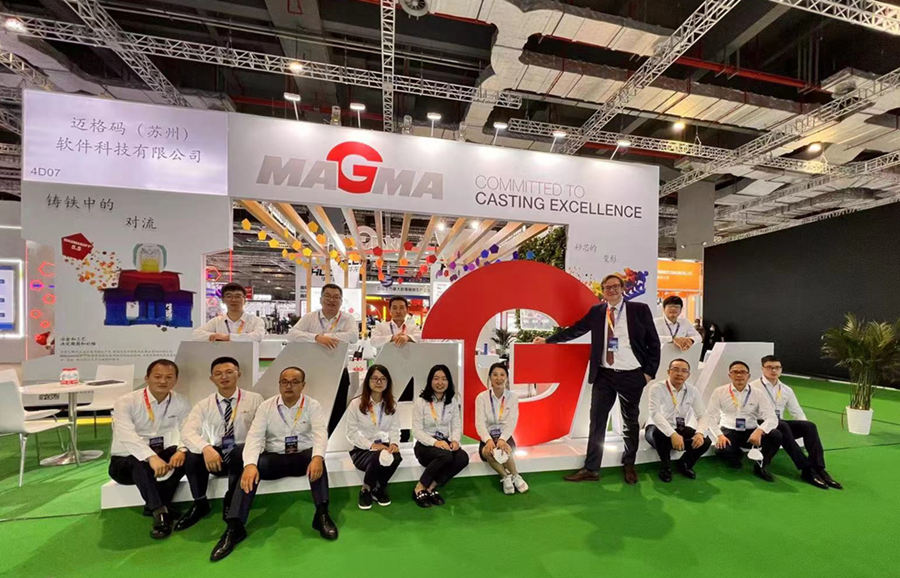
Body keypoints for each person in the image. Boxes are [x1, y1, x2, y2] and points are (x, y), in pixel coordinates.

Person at [534, 274, 660, 485]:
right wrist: (548, 340)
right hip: (604, 375)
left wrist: (648, 374)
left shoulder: (639, 310)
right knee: (597, 422)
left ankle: (629, 464)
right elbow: (576, 330)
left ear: (622, 288)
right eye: (607, 287)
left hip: (632, 375)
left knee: (630, 422)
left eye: (615, 286)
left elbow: (653, 343)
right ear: (603, 291)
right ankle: (591, 468)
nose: (612, 290)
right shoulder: (597, 312)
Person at [210, 367, 337, 562]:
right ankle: (235, 527)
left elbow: (320, 433)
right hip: (274, 458)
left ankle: (322, 515)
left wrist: (318, 457)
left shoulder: (313, 405)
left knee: (317, 457)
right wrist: (250, 465)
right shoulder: (266, 407)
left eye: (294, 382)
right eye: (284, 381)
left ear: (303, 385)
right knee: (249, 469)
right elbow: (254, 436)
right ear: (279, 384)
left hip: (302, 458)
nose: (289, 386)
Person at [175, 357, 264, 532]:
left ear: (239, 374)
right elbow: (187, 432)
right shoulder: (204, 405)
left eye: (229, 372)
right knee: (192, 456)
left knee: (239, 451)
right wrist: (206, 448)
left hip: (244, 456)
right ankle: (200, 503)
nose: (224, 377)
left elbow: (262, 431)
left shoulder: (255, 399)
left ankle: (231, 499)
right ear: (212, 378)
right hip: (217, 457)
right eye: (218, 374)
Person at [109, 359, 191, 539]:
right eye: (158, 376)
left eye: (169, 377)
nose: (163, 381)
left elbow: (187, 430)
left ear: (175, 380)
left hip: (160, 456)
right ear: (147, 378)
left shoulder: (181, 402)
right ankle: (159, 511)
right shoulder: (126, 402)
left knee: (190, 456)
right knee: (138, 461)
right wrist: (150, 457)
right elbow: (126, 435)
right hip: (124, 462)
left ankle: (159, 503)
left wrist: (181, 450)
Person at [757, 355, 841, 490]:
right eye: (770, 367)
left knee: (809, 426)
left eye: (777, 367)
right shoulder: (754, 387)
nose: (774, 370)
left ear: (781, 369)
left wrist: (804, 431)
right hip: (761, 425)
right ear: (762, 369)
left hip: (780, 424)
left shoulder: (786, 389)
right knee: (782, 425)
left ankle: (819, 468)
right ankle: (806, 469)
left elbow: (797, 412)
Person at [704, 360, 783, 482]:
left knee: (775, 435)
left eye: (742, 372)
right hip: (729, 431)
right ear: (729, 375)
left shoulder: (757, 393)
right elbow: (709, 416)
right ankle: (737, 455)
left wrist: (759, 431)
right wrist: (719, 435)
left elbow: (772, 417)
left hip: (751, 432)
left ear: (748, 376)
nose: (739, 375)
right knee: (721, 450)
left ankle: (761, 466)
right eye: (735, 372)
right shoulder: (719, 392)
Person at [344, 364, 403, 509]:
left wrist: (394, 444)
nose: (379, 382)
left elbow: (395, 429)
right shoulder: (356, 404)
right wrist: (371, 445)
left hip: (385, 447)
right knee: (377, 456)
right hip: (362, 450)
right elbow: (351, 433)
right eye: (375, 378)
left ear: (387, 382)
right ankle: (366, 489)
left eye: (383, 379)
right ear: (368, 381)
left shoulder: (392, 404)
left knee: (396, 457)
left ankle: (379, 488)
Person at [411, 364, 469, 507]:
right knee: (446, 455)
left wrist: (455, 441)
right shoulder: (421, 402)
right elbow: (416, 431)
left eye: (444, 379)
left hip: (444, 444)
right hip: (425, 446)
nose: (440, 382)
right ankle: (419, 487)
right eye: (436, 378)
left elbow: (456, 425)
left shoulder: (452, 401)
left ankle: (430, 488)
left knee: (462, 457)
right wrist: (435, 443)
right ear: (430, 381)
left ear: (449, 382)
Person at [644, 358, 711, 482]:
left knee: (706, 441)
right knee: (659, 434)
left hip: (679, 427)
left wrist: (700, 433)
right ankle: (665, 467)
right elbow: (655, 413)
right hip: (655, 428)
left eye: (684, 371)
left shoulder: (692, 390)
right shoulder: (657, 388)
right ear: (668, 372)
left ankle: (685, 464)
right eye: (675, 369)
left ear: (688, 375)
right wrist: (673, 434)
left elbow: (702, 415)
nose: (680, 373)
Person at [475, 363, 528, 494]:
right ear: (490, 377)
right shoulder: (481, 398)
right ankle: (506, 477)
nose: (498, 378)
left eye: (502, 375)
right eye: (495, 375)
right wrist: (488, 440)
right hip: (488, 437)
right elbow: (479, 423)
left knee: (505, 449)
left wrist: (503, 439)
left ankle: (516, 476)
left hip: (505, 436)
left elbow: (512, 421)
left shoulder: (512, 397)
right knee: (488, 452)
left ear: (507, 378)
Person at [287, 283, 358, 348]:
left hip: (339, 357)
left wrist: (325, 336)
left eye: (336, 297)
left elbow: (354, 337)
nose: (331, 300)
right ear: (320, 300)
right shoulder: (310, 317)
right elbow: (291, 334)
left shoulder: (348, 318)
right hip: (313, 357)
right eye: (327, 296)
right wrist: (316, 337)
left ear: (341, 301)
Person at [193, 283, 266, 342]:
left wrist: (228, 337)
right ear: (223, 300)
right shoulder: (216, 321)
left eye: (238, 296)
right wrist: (213, 336)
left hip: (248, 355)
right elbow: (195, 335)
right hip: (222, 355)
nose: (233, 300)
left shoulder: (256, 321)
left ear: (244, 300)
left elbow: (258, 336)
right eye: (229, 296)